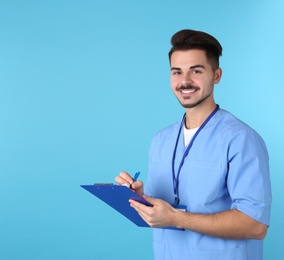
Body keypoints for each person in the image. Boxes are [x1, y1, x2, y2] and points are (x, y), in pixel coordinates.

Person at [115, 29, 272, 260]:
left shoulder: (241, 139)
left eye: (196, 71)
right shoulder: (161, 140)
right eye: (177, 72)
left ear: (216, 75)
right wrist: (140, 199)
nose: (185, 81)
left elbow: (256, 225)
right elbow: (163, 213)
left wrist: (176, 218)